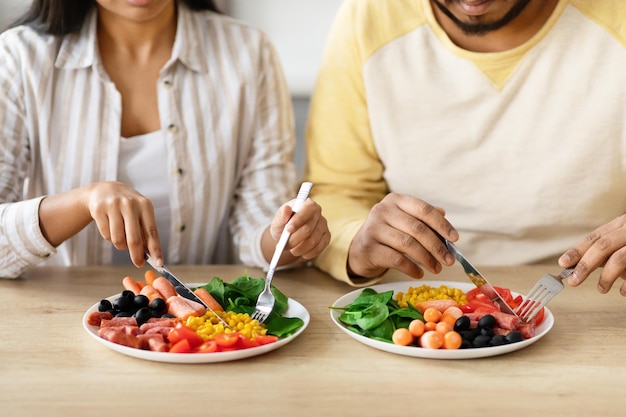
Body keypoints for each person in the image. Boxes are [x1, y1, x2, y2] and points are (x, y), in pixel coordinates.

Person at [304, 0, 626, 296]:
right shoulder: (369, 18)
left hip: (596, 296)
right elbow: (336, 191)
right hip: (415, 294)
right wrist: (355, 241)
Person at [0, 0, 330, 279]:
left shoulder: (250, 54)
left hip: (202, 331)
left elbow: (259, 220)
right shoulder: (18, 59)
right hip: (57, 321)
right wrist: (83, 202)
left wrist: (288, 240)